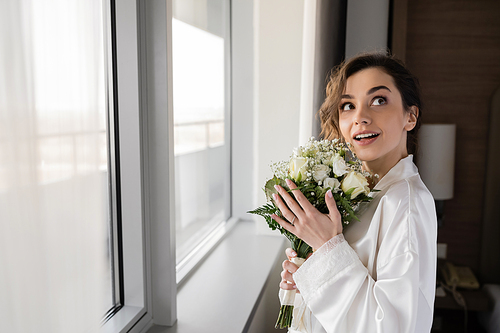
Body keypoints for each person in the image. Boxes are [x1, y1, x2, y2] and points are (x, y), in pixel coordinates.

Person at [271, 52, 437, 333]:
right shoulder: (360, 194)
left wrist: (326, 248)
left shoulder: (405, 204)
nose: (360, 117)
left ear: (411, 116)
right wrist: (308, 278)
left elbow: (390, 327)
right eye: (347, 105)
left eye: (379, 100)